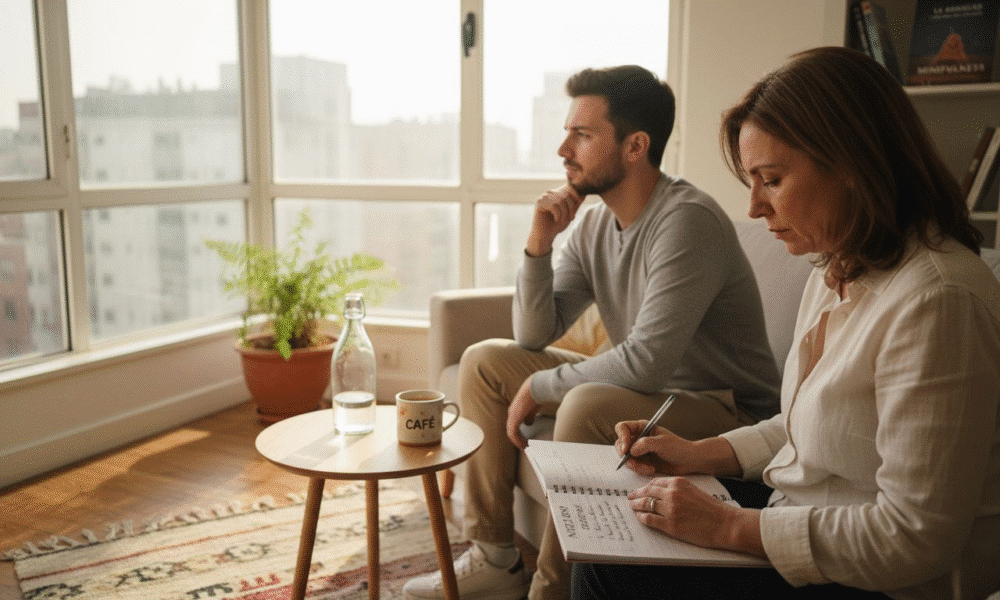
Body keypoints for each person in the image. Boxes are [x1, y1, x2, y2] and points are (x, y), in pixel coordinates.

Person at [571, 46, 1000, 600]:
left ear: (852, 166)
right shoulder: (835, 266)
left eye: (771, 179)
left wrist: (727, 526)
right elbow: (803, 427)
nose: (754, 207)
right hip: (798, 514)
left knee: (611, 568)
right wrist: (697, 451)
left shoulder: (937, 300)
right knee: (618, 536)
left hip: (877, 579)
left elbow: (914, 538)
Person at [404, 65, 781, 600]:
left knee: (582, 403)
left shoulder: (687, 221)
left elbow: (646, 360)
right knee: (486, 361)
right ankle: (495, 557)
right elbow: (533, 333)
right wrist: (539, 245)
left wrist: (540, 388)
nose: (563, 149)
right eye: (567, 133)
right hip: (655, 390)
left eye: (582, 135)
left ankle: (552, 590)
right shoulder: (596, 223)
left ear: (635, 146)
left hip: (724, 404)